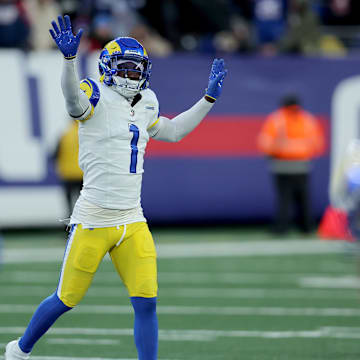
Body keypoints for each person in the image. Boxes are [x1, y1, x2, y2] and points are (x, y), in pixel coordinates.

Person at [4, 14, 227, 360]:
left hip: (132, 218)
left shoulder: (147, 100)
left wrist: (206, 101)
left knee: (147, 302)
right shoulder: (93, 92)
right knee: (66, 299)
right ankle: (19, 349)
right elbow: (73, 103)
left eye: (137, 68)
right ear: (108, 67)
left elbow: (173, 131)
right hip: (93, 218)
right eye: (125, 67)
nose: (132, 74)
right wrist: (68, 61)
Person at [257, 94, 325, 234]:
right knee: (304, 199)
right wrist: (303, 152)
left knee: (284, 200)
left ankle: (281, 228)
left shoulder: (276, 119)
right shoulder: (308, 120)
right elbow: (318, 144)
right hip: (302, 166)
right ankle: (306, 228)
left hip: (281, 166)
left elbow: (265, 143)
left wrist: (278, 151)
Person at [53, 120, 83, 218]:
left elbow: (55, 154)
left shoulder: (65, 134)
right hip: (82, 174)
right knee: (84, 203)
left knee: (69, 204)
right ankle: (84, 226)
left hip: (67, 175)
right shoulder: (86, 134)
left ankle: (69, 226)